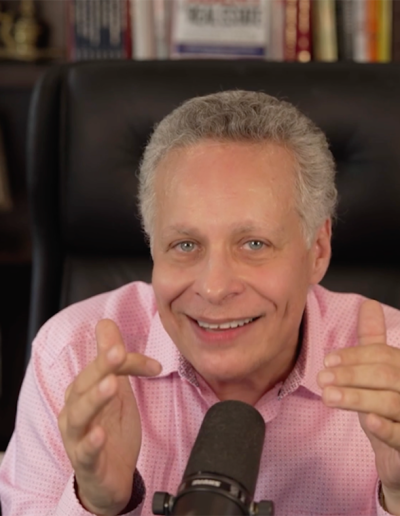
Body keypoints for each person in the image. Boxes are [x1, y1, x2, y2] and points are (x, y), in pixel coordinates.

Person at [1, 90, 400, 516]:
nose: (214, 288)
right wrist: (99, 503)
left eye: (254, 244)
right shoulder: (72, 357)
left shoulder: (395, 370)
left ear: (317, 251)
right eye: (185, 244)